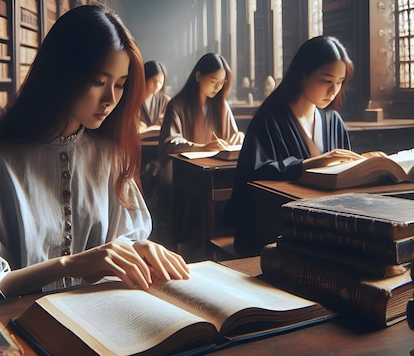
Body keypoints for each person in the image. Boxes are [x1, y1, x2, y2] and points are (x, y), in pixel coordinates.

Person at [0, 5, 189, 301]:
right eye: (98, 82)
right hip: (18, 329)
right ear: (62, 73)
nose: (110, 99)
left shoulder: (110, 158)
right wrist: (69, 264)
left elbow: (126, 246)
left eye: (120, 85)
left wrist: (138, 252)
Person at [226, 35, 364, 257]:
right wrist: (307, 165)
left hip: (328, 222)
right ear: (302, 76)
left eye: (339, 83)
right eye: (326, 81)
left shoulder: (333, 120)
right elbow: (254, 173)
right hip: (279, 229)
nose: (333, 91)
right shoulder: (269, 119)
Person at [155, 53, 244, 248]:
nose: (217, 87)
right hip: (185, 172)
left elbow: (232, 136)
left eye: (221, 83)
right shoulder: (177, 105)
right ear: (198, 76)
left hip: (215, 168)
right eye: (213, 81)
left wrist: (238, 137)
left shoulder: (221, 106)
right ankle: (194, 240)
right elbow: (171, 142)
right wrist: (202, 147)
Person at [139, 60, 170, 129]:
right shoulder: (133, 99)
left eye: (160, 82)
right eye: (153, 81)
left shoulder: (165, 100)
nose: (157, 85)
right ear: (145, 78)